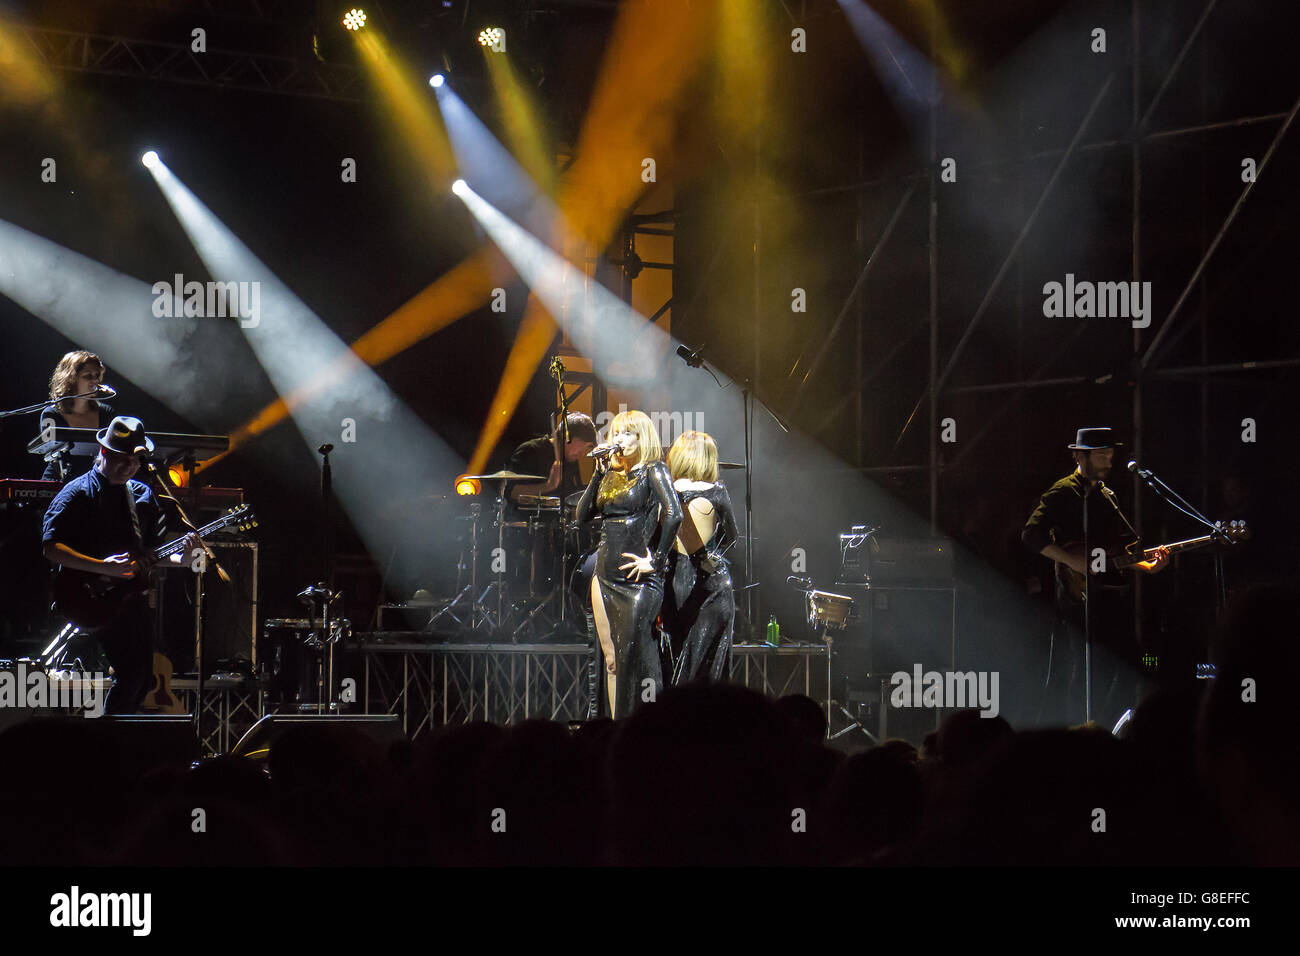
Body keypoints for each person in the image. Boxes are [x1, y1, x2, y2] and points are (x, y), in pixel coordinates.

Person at [42, 416, 198, 715]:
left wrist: (184, 559)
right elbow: (52, 548)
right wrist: (102, 567)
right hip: (87, 596)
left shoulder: (141, 495)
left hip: (130, 598)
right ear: (103, 453)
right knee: (131, 676)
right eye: (123, 460)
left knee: (142, 681)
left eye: (135, 461)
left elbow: (151, 554)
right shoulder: (77, 493)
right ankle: (107, 746)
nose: (130, 467)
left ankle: (116, 741)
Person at [1021, 427, 1169, 727]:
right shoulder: (1063, 492)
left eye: (1110, 455)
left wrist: (1147, 566)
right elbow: (1030, 535)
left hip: (1110, 595)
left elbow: (1117, 553)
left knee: (1130, 663)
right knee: (1085, 668)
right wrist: (1071, 560)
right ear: (1079, 455)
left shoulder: (1107, 496)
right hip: (1077, 598)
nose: (1108, 462)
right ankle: (1082, 731)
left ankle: (1110, 727)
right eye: (1101, 455)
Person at [575, 410, 682, 718]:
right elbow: (582, 516)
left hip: (636, 579)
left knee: (634, 656)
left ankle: (645, 728)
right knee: (611, 660)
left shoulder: (653, 470)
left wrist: (657, 562)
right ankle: (615, 730)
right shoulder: (609, 475)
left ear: (641, 438)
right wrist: (597, 472)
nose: (617, 439)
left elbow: (674, 514)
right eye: (615, 433)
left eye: (625, 433)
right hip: (604, 575)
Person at [661, 430, 738, 684]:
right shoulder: (717, 491)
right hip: (711, 586)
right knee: (709, 668)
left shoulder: (664, 493)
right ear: (707, 459)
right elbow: (732, 537)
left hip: (672, 585)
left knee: (674, 658)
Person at [38, 351, 115, 481]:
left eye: (97, 375)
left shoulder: (106, 413)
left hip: (97, 480)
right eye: (87, 376)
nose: (95, 381)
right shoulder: (51, 413)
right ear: (70, 378)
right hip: (59, 480)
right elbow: (49, 451)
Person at [507, 412, 597, 505]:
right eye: (581, 445)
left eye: (587, 447)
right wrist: (549, 486)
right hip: (526, 518)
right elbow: (512, 492)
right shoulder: (530, 451)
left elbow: (570, 496)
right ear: (566, 437)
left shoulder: (570, 458)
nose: (582, 453)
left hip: (558, 519)